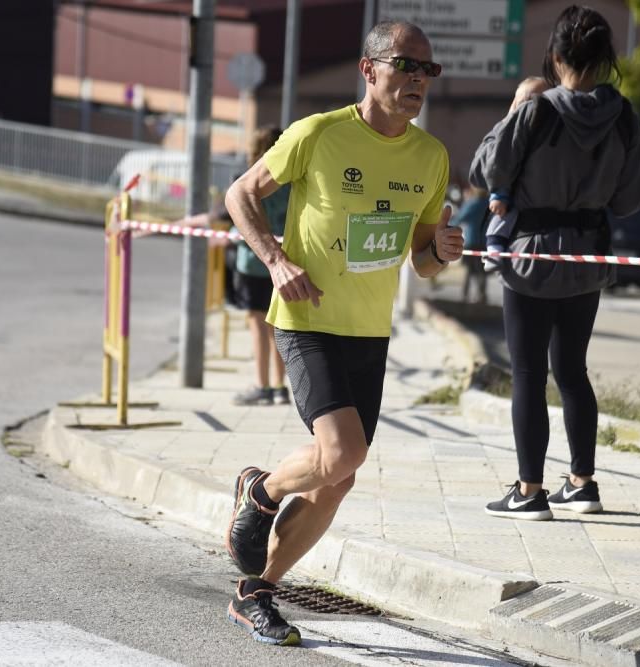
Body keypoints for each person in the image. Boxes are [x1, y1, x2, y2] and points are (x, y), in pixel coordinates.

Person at [221, 20, 462, 645]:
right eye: (406, 66)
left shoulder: (430, 157)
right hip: (306, 319)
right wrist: (275, 260)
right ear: (369, 69)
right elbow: (240, 193)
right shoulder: (318, 133)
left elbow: (422, 263)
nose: (418, 81)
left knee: (341, 477)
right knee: (343, 455)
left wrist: (442, 251)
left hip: (368, 332)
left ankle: (258, 591)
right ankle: (263, 492)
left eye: (427, 71)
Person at [470, 4, 640, 521]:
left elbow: (484, 171)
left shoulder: (537, 110)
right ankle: (583, 483)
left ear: (554, 55)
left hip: (530, 256)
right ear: (606, 58)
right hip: (588, 255)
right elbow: (630, 199)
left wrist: (512, 111)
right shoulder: (625, 116)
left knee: (528, 372)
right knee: (572, 371)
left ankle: (529, 490)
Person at [230, 127, 291, 406]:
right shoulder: (289, 181)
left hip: (253, 262)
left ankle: (262, 385)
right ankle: (280, 387)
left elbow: (237, 213)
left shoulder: (251, 180)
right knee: (278, 327)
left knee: (258, 326)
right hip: (284, 262)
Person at [483, 76, 551, 270]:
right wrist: (499, 194)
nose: (532, 107)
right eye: (526, 101)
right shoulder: (507, 133)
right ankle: (494, 248)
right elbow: (499, 165)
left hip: (537, 217)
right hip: (510, 201)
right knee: (501, 219)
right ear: (515, 104)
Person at [451, 186, 489, 303]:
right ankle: (482, 296)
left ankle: (464, 296)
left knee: (469, 270)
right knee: (482, 271)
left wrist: (448, 224)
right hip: (485, 242)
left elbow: (460, 218)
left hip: (472, 241)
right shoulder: (489, 204)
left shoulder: (473, 203)